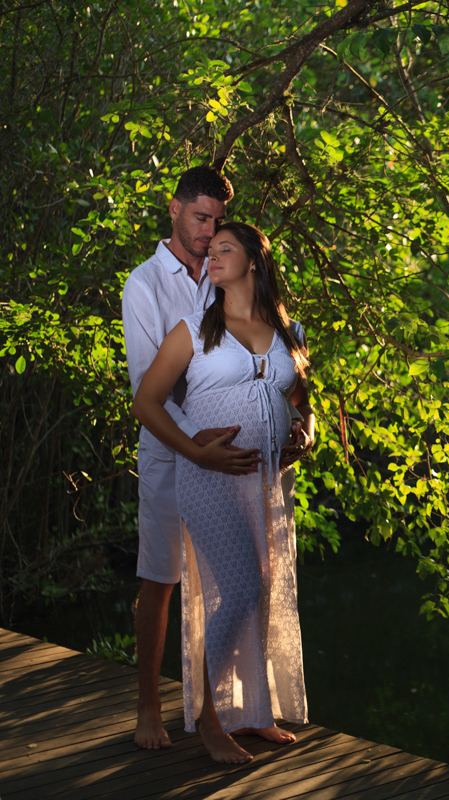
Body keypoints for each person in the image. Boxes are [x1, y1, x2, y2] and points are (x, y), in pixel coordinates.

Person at [132, 221, 314, 763]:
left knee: (262, 588)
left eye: (224, 249)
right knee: (239, 588)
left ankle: (252, 713)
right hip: (209, 476)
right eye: (209, 251)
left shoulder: (290, 332)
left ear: (254, 261)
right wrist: (195, 451)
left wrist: (306, 430)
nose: (211, 257)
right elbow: (146, 402)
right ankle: (209, 719)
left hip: (266, 484)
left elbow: (306, 404)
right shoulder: (194, 329)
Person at [122, 166, 263, 751]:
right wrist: (196, 445)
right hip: (169, 453)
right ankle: (148, 708)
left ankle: (228, 710)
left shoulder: (224, 271)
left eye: (216, 220)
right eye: (200, 217)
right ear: (174, 209)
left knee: (231, 579)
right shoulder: (145, 285)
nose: (208, 231)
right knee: (161, 578)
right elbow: (147, 387)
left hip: (226, 457)